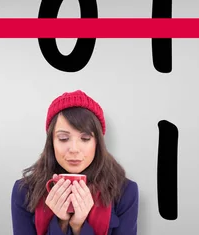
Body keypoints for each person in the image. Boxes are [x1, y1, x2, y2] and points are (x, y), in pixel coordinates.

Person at [11, 90, 139, 235]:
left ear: (98, 143)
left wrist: (79, 227)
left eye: (85, 139)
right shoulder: (25, 190)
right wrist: (61, 224)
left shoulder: (125, 191)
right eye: (64, 138)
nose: (74, 149)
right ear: (51, 142)